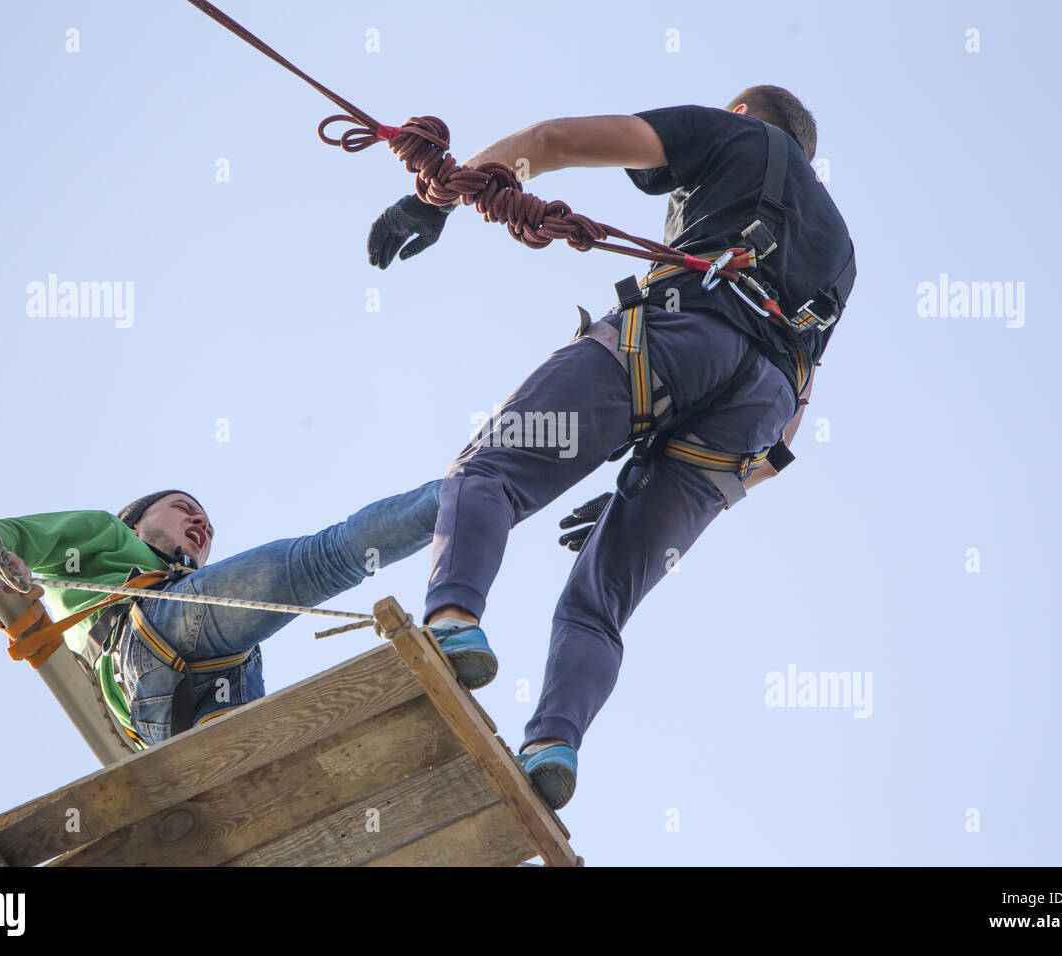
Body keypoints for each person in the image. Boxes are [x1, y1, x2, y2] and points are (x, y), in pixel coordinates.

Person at [367, 85, 857, 808]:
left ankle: (455, 622)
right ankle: (553, 744)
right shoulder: (841, 251)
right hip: (752, 415)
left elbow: (558, 139)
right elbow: (788, 435)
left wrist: (437, 197)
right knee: (602, 601)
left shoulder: (731, 133)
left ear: (744, 114)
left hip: (676, 336)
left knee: (488, 472)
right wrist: (697, 484)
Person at [0, 481, 445, 745]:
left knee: (251, 750)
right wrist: (6, 562)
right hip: (146, 637)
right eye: (184, 510)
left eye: (207, 526)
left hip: (164, 717)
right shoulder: (109, 533)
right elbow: (6, 536)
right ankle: (452, 496)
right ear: (135, 524)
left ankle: (234, 742)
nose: (200, 525)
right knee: (327, 557)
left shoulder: (204, 601)